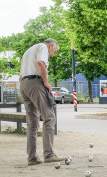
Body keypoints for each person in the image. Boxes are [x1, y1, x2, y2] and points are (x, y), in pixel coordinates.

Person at [20, 38, 65, 166]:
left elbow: (21, 73)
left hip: (24, 85)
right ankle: (49, 154)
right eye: (54, 52)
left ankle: (32, 158)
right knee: (49, 117)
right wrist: (45, 82)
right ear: (51, 45)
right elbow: (40, 63)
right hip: (35, 83)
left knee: (32, 122)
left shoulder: (28, 51)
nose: (52, 55)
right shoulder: (43, 47)